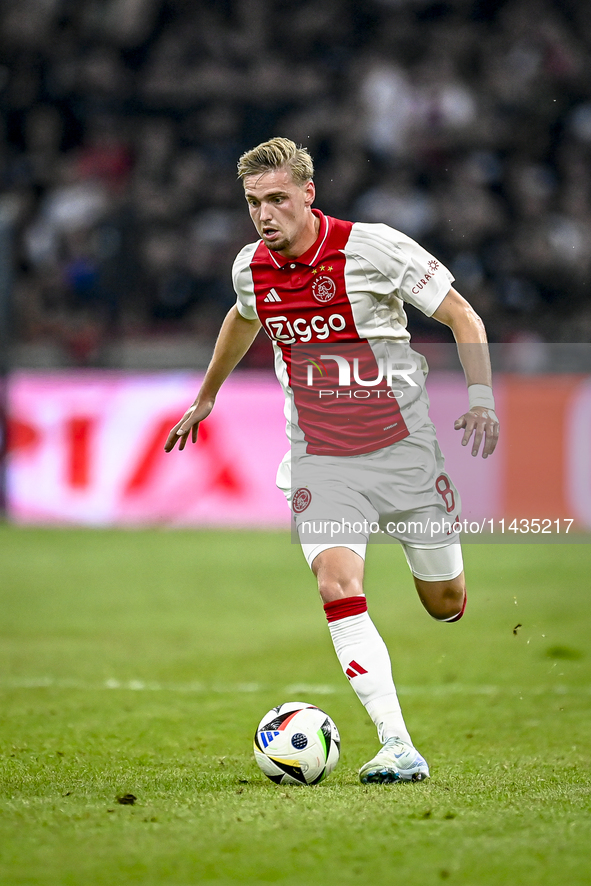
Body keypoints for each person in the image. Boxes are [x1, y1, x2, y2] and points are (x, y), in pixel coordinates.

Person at [165, 137, 499, 784]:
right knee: (336, 586)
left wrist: (480, 398)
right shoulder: (249, 266)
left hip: (402, 453)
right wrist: (206, 395)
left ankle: (448, 591)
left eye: (278, 200)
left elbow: (462, 316)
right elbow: (243, 318)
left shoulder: (371, 247)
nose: (265, 215)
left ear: (307, 194)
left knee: (444, 602)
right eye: (254, 203)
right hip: (322, 460)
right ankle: (397, 745)